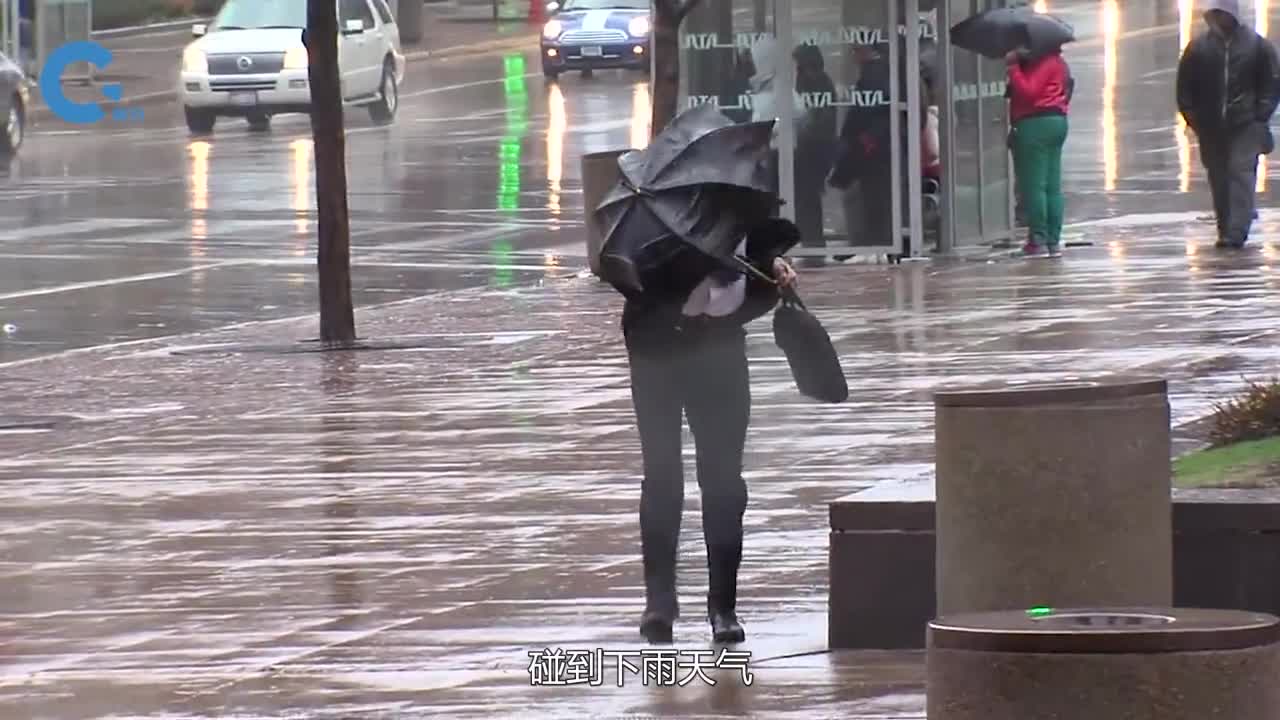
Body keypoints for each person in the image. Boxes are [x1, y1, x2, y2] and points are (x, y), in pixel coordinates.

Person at [622, 216, 799, 645]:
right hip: (656, 352)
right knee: (662, 477)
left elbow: (764, 242)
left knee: (722, 481)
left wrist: (774, 265)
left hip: (720, 350)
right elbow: (620, 269)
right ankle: (659, 603)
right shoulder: (647, 204)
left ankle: (723, 607)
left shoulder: (736, 193)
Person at [1176, 0, 1280, 249]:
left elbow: (1272, 82)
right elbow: (1185, 87)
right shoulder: (1198, 48)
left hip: (1246, 125)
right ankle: (1225, 227)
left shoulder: (1257, 46)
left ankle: (1237, 231)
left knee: (1241, 173)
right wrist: (1194, 119)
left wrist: (1260, 114)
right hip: (1210, 127)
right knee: (1219, 177)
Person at [793, 43, 837, 249]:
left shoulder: (817, 82)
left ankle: (812, 239)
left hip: (814, 146)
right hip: (814, 145)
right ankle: (811, 238)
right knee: (808, 195)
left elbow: (821, 117)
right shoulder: (814, 80)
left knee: (808, 195)